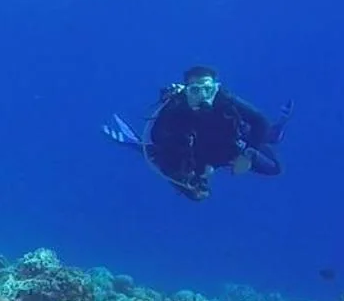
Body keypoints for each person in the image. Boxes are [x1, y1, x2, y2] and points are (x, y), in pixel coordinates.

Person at [103, 66, 291, 201]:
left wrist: (247, 156)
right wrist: (190, 175)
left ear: (216, 88)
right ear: (186, 91)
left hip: (231, 148)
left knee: (274, 166)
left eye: (208, 89)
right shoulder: (176, 108)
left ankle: (277, 130)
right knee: (193, 192)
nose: (203, 96)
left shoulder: (225, 101)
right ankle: (134, 143)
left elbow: (259, 121)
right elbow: (158, 137)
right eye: (195, 90)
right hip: (196, 153)